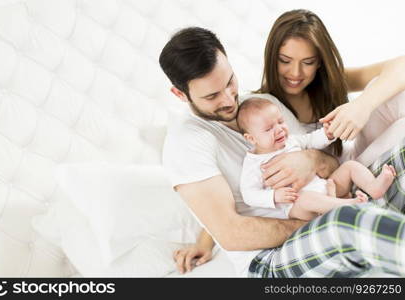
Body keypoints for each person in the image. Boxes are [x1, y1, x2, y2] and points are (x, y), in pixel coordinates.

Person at [159, 22, 405, 277]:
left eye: (230, 82)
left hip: (330, 197)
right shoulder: (187, 142)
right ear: (180, 94)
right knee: (349, 219)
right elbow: (232, 233)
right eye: (212, 96)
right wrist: (319, 215)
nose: (228, 98)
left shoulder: (263, 105)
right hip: (271, 257)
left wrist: (311, 160)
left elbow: (328, 164)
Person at [238, 97, 397, 221]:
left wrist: (326, 134)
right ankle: (346, 205)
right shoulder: (254, 164)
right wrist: (273, 196)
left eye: (280, 122)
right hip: (298, 206)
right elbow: (249, 194)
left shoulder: (291, 141)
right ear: (251, 138)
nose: (279, 129)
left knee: (349, 166)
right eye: (268, 129)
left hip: (326, 186)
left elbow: (310, 140)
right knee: (305, 198)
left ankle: (374, 187)